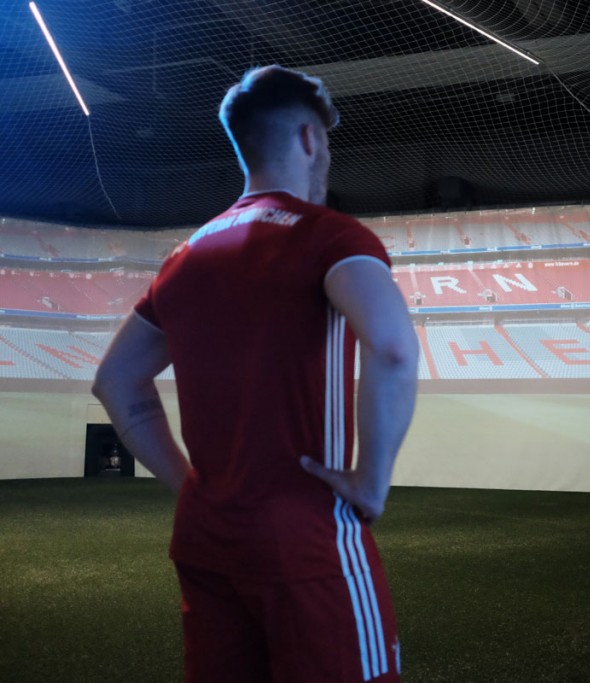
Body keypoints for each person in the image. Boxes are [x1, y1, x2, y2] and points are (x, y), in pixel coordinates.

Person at [92, 65, 419, 683]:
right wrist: (372, 481)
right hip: (305, 537)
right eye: (327, 140)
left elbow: (116, 382)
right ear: (307, 139)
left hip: (204, 538)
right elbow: (394, 348)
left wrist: (190, 484)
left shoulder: (184, 256)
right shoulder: (330, 236)